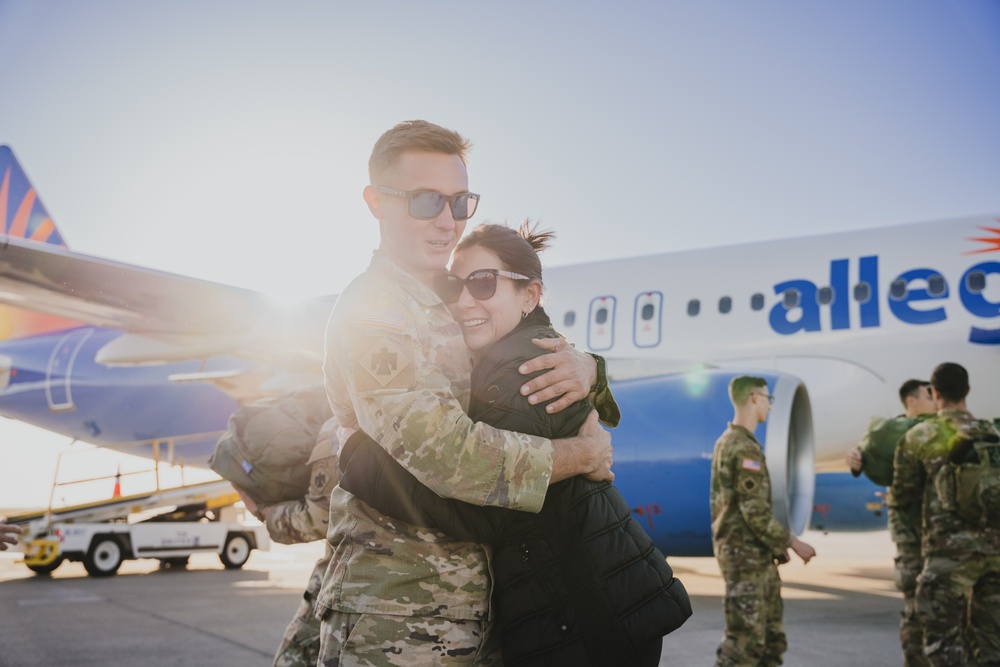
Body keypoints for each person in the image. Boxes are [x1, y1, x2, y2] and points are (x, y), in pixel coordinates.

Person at [316, 120, 615, 665]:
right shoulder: (377, 311)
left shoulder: (448, 301)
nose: (447, 221)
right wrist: (581, 455)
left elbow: (524, 356)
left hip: (468, 608)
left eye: (460, 202)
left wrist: (589, 367)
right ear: (376, 202)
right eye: (427, 201)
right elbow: (447, 453)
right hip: (397, 611)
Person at [336, 222, 691, 666]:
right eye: (453, 285)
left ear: (529, 295)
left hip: (587, 614)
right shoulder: (527, 355)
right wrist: (593, 368)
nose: (464, 301)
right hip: (597, 601)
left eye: (484, 284)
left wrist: (358, 460)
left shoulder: (521, 375)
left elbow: (481, 508)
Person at [891, 362, 1000, 665]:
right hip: (995, 554)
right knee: (992, 640)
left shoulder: (921, 435)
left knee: (943, 641)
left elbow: (902, 496)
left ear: (934, 392)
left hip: (948, 557)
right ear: (968, 391)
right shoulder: (992, 432)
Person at [710, 376, 816, 667]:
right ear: (755, 398)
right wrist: (792, 542)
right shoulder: (743, 448)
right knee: (744, 645)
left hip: (757, 557)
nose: (769, 407)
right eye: (768, 400)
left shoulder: (731, 442)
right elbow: (753, 509)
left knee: (771, 642)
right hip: (745, 561)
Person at [236, 415, 341, 667]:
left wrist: (263, 512)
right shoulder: (445, 408)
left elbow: (319, 518)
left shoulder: (346, 423)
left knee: (293, 659)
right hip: (443, 590)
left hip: (351, 586)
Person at [845, 379, 936, 667]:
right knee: (916, 608)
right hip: (912, 534)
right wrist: (855, 461)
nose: (935, 398)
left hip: (938, 532)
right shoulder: (891, 433)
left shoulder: (932, 428)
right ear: (911, 400)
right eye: (928, 394)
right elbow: (863, 456)